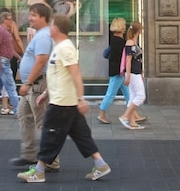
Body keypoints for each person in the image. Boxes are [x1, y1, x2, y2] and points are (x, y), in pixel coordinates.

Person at [16, 14, 111, 183]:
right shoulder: (59, 47)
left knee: (49, 135)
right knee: (82, 136)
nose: (49, 29)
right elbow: (58, 75)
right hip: (65, 102)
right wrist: (45, 94)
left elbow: (75, 73)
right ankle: (101, 164)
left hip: (62, 104)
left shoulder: (65, 48)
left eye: (51, 25)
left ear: (56, 29)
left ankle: (39, 171)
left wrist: (81, 98)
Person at [9, 3, 60, 172]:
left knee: (43, 122)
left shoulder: (44, 36)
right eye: (30, 14)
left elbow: (41, 60)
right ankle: (30, 154)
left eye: (33, 15)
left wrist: (27, 83)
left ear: (43, 18)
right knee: (24, 117)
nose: (30, 18)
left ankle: (51, 160)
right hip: (31, 85)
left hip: (37, 85)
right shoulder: (40, 34)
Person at [97, 17, 130, 125]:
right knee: (111, 93)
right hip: (118, 72)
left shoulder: (113, 40)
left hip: (117, 71)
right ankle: (101, 114)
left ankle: (133, 114)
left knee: (128, 93)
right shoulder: (120, 42)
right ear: (122, 27)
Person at [118, 21, 146, 130]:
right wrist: (128, 76)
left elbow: (136, 59)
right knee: (140, 96)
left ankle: (132, 121)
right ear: (138, 30)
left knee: (133, 96)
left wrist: (141, 72)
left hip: (136, 72)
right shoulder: (130, 43)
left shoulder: (133, 42)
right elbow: (128, 61)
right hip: (133, 72)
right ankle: (125, 116)